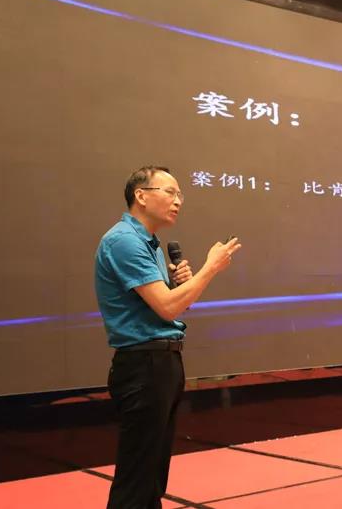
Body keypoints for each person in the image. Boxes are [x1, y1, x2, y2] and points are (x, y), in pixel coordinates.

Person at [94, 166, 241, 509]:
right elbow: (168, 307)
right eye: (170, 192)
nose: (178, 201)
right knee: (137, 479)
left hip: (161, 362)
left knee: (152, 476)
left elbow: (174, 304)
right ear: (141, 196)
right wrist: (210, 268)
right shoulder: (124, 241)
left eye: (180, 195)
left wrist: (180, 285)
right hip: (144, 365)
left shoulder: (152, 245)